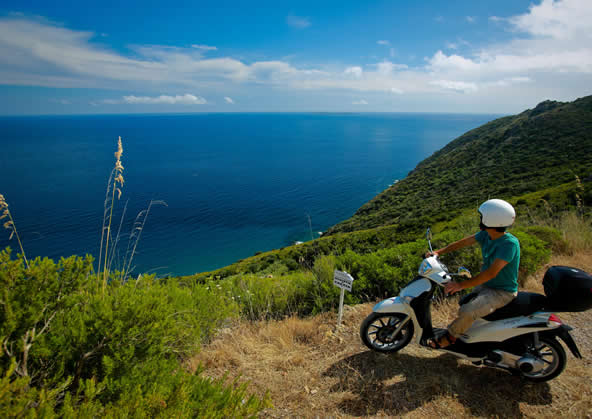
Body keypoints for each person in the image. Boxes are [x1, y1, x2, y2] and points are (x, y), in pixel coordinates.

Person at [427, 199, 520, 348]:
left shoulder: (509, 245)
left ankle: (449, 339)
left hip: (502, 292)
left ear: (490, 220)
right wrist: (439, 252)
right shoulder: (486, 234)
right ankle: (471, 334)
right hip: (487, 285)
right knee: (464, 304)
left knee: (468, 311)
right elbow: (463, 243)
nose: (480, 219)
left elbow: (491, 273)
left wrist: (460, 285)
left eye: (482, 216)